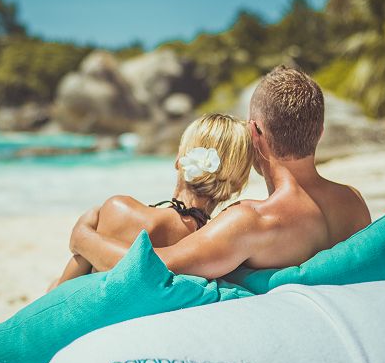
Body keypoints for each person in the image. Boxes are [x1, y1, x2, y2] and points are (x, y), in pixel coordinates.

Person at [69, 65, 372, 280]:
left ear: (255, 133)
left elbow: (152, 267)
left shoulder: (252, 221)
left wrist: (84, 238)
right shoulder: (354, 203)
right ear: (319, 132)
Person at [49, 113, 253, 289]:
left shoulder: (121, 209)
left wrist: (82, 236)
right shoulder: (214, 245)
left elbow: (61, 294)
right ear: (237, 185)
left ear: (178, 161)